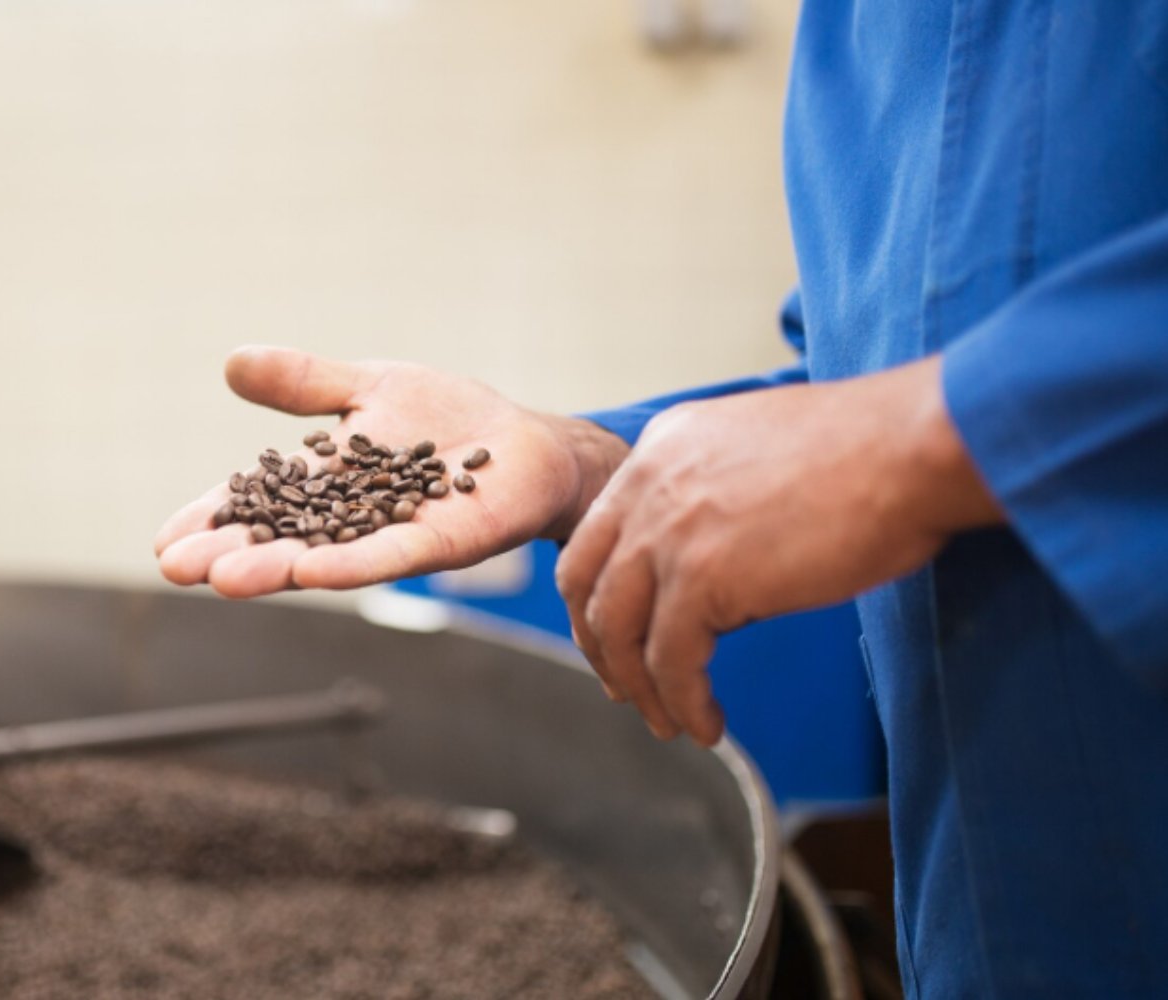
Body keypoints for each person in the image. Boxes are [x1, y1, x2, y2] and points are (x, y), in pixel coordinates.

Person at [156, 2, 1168, 995]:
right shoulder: (858, 27)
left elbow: (915, 419)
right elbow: (866, 387)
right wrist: (591, 458)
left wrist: (930, 438)